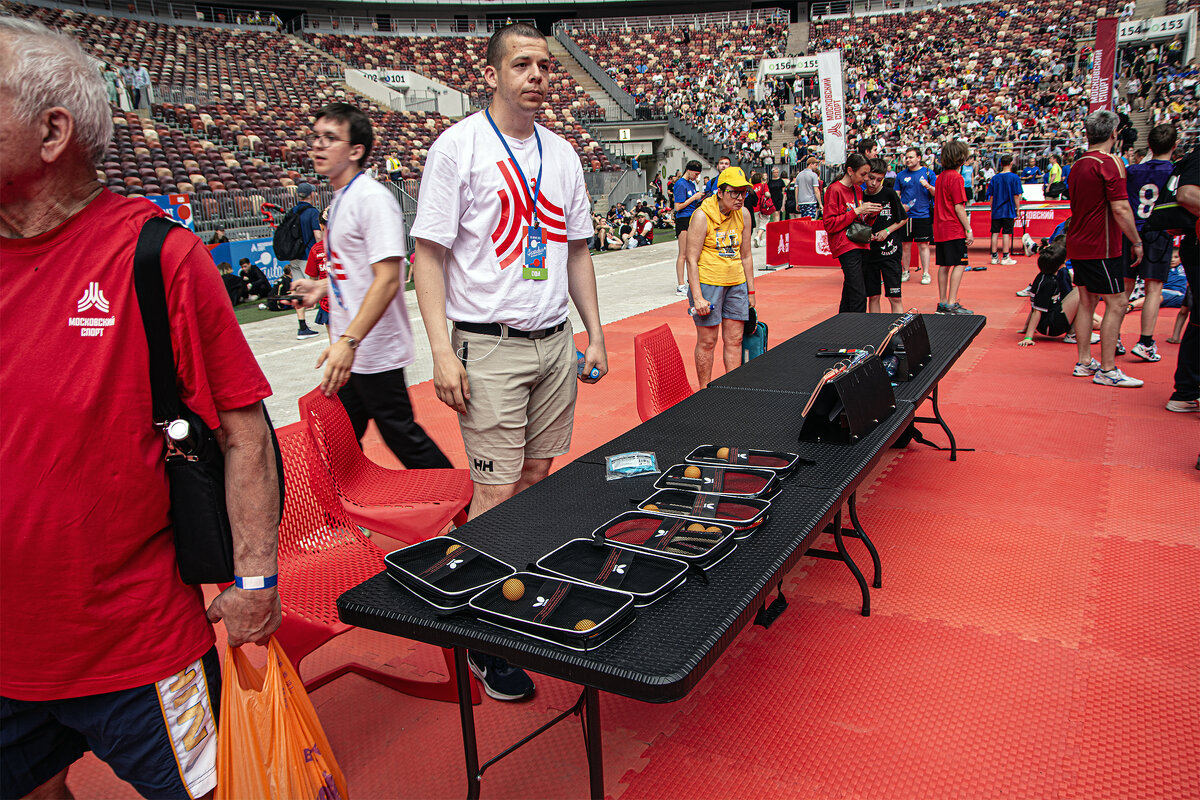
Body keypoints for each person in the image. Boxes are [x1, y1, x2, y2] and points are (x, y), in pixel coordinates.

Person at [0, 18, 281, 799]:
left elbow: (245, 432)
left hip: (138, 647)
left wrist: (255, 580)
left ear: (53, 131)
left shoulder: (158, 257)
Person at [409, 23, 608, 701]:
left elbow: (577, 251)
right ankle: (482, 635)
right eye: (521, 64)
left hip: (554, 341)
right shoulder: (457, 148)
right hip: (487, 343)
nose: (536, 75)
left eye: (544, 65)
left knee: (536, 476)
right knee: (493, 493)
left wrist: (596, 333)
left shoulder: (563, 155)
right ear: (491, 73)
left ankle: (511, 582)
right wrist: (440, 350)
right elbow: (427, 255)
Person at [291, 103, 454, 469]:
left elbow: (387, 278)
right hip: (353, 350)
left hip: (371, 351)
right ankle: (349, 514)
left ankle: (466, 511)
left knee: (401, 437)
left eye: (330, 138)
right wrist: (321, 288)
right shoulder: (342, 198)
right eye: (316, 137)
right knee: (338, 440)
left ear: (355, 151)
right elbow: (354, 271)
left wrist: (349, 342)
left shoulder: (372, 200)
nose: (318, 146)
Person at [1066, 109, 1145, 388]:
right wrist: (1136, 241)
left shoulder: (1077, 164)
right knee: (1118, 302)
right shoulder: (1111, 162)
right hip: (1102, 245)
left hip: (1080, 241)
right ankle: (1108, 369)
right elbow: (1121, 208)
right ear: (1114, 133)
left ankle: (1085, 361)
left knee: (1087, 302)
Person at [686, 167, 755, 387]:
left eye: (743, 192)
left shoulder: (744, 214)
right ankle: (704, 391)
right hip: (708, 283)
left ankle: (731, 390)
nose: (740, 198)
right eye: (734, 192)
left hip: (736, 282)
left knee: (734, 340)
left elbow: (746, 255)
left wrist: (751, 292)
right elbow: (691, 259)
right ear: (720, 192)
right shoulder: (701, 216)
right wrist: (697, 297)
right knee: (707, 341)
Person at [1122, 123, 1178, 363]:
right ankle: (1145, 342)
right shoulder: (1175, 171)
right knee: (1153, 289)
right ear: (1174, 147)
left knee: (1124, 288)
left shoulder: (1133, 170)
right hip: (1158, 232)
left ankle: (1113, 335)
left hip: (1132, 231)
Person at [823, 154, 882, 313]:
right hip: (846, 245)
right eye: (862, 174)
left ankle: (843, 325)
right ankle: (857, 329)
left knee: (851, 290)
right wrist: (857, 211)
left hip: (861, 243)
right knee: (858, 293)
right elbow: (829, 224)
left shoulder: (858, 190)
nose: (865, 179)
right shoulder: (834, 189)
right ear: (850, 171)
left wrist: (871, 214)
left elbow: (861, 222)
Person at [932, 140, 975, 315]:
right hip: (953, 228)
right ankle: (951, 303)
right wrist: (969, 229)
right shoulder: (956, 178)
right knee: (959, 264)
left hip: (940, 228)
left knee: (944, 265)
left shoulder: (940, 177)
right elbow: (959, 206)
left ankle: (943, 302)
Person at [863, 158, 908, 313]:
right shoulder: (860, 196)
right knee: (873, 296)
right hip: (869, 254)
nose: (874, 183)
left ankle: (898, 334)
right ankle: (875, 332)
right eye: (871, 178)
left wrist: (887, 231)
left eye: (879, 180)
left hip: (890, 253)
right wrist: (866, 235)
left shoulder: (889, 194)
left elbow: (903, 219)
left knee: (895, 297)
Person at [1017, 240, 1080, 344]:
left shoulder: (1044, 277)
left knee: (1095, 322)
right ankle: (1072, 334)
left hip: (1051, 320)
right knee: (1082, 293)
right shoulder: (1048, 283)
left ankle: (1080, 330)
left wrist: (1026, 327)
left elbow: (1035, 304)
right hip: (1051, 326)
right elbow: (1037, 310)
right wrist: (1028, 337)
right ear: (1062, 264)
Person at [897, 147, 936, 284]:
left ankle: (925, 273)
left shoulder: (928, 173)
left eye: (911, 157)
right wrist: (900, 207)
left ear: (919, 158)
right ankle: (905, 271)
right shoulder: (901, 175)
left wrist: (928, 186)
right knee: (905, 245)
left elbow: (936, 193)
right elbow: (897, 195)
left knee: (923, 245)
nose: (908, 160)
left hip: (923, 214)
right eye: (906, 157)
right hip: (906, 216)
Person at [291, 182, 322, 339]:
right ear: (311, 194)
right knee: (320, 285)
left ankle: (302, 325)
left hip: (294, 256)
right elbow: (318, 235)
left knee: (298, 290)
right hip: (308, 256)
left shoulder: (293, 211)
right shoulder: (312, 212)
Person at [673, 160, 705, 295]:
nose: (696, 177)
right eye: (695, 174)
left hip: (692, 217)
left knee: (692, 253)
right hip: (683, 219)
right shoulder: (680, 184)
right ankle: (680, 285)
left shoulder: (691, 184)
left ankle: (690, 280)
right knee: (683, 253)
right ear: (689, 170)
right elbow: (678, 206)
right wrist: (694, 198)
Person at [988, 153, 1023, 265]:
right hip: (1008, 209)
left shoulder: (995, 178)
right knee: (1006, 233)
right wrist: (1018, 208)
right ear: (1011, 163)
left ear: (1001, 164)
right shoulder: (1014, 177)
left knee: (994, 233)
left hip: (997, 209)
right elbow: (1016, 195)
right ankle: (1005, 256)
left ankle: (994, 257)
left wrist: (991, 208)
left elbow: (991, 196)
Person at [304, 208, 333, 343]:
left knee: (334, 342)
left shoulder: (316, 250)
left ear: (321, 226)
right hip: (348, 302)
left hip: (328, 303)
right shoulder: (350, 246)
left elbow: (313, 279)